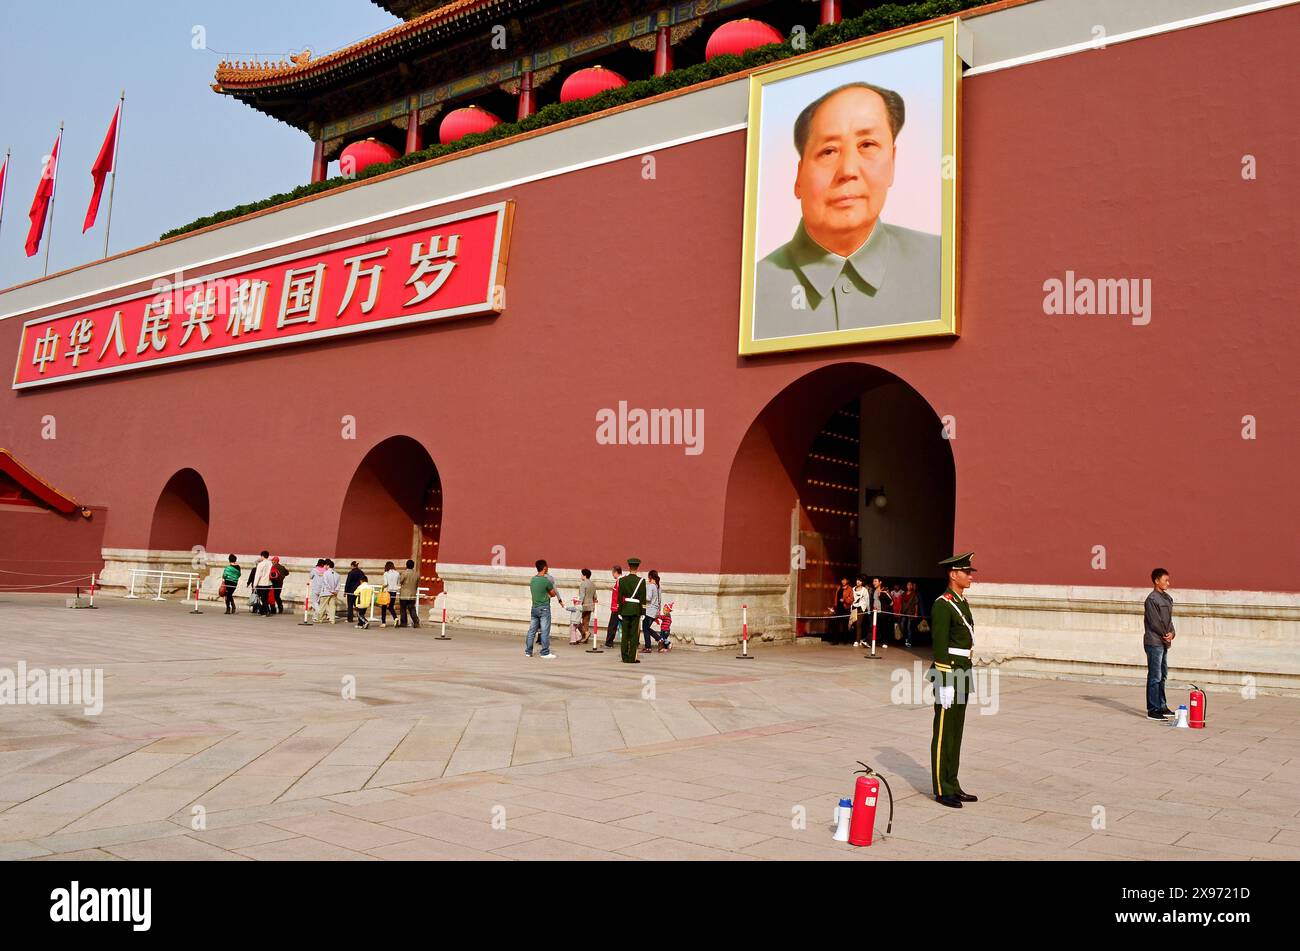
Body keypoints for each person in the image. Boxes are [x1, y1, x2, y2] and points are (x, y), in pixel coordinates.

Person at [753, 82, 941, 341]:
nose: (848, 170)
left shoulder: (940, 264)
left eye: (867, 145)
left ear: (893, 162)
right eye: (828, 151)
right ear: (798, 177)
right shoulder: (753, 291)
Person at [930, 552, 978, 809]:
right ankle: (941, 788)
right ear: (953, 574)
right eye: (966, 572)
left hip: (963, 671)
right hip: (948, 672)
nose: (970, 576)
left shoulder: (961, 602)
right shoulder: (942, 604)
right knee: (943, 732)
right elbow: (939, 646)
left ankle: (952, 781)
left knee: (956, 731)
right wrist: (944, 681)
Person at [1143, 568, 1176, 720]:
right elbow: (1155, 622)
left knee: (1162, 675)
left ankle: (1162, 706)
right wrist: (1165, 634)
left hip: (1163, 642)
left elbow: (1169, 620)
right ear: (1157, 581)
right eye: (1165, 580)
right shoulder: (1152, 599)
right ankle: (1153, 709)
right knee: (1155, 676)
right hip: (1154, 642)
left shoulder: (1168, 599)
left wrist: (1172, 633)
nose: (1168, 583)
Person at [525, 559, 561, 658]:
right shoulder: (546, 581)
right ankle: (545, 652)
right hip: (544, 608)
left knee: (532, 631)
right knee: (545, 631)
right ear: (544, 568)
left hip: (534, 607)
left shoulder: (533, 579)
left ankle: (528, 651)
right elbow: (553, 593)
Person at [618, 558, 647, 663]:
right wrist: (643, 612)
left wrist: (619, 611)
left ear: (629, 567)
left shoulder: (622, 580)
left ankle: (624, 657)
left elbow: (619, 597)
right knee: (634, 635)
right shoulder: (641, 581)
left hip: (625, 609)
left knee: (625, 634)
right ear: (637, 567)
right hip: (635, 610)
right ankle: (631, 658)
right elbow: (643, 598)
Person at [641, 569, 664, 652]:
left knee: (645, 628)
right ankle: (659, 640)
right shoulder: (659, 587)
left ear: (650, 577)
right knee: (647, 628)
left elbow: (648, 598)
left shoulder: (651, 586)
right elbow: (660, 601)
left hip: (649, 610)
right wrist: (658, 611)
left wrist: (641, 597)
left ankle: (648, 647)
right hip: (655, 611)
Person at [603, 565, 623, 648]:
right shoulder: (620, 581)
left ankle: (609, 643)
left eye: (612, 573)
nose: (612, 575)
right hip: (618, 607)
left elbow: (620, 595)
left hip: (617, 608)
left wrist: (618, 606)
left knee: (612, 626)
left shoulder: (620, 582)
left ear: (615, 572)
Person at [398, 559, 420, 628]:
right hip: (412, 593)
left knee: (403, 609)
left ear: (406, 565)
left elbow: (400, 581)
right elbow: (417, 584)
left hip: (404, 594)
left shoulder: (404, 573)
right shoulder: (416, 574)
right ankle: (416, 622)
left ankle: (403, 622)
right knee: (412, 608)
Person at [577, 568, 597, 644]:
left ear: (584, 575)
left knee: (577, 621)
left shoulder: (583, 584)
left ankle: (586, 633)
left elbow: (582, 596)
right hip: (590, 604)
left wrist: (578, 604)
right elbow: (595, 596)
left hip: (584, 604)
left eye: (581, 574)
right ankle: (585, 638)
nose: (581, 576)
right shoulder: (593, 584)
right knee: (586, 622)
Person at [253, 552, 274, 619]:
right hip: (268, 583)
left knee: (263, 598)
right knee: (265, 598)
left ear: (262, 556)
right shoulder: (271, 563)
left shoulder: (261, 564)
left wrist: (255, 584)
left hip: (261, 583)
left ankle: (267, 611)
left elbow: (258, 575)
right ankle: (263, 611)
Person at [381, 560, 401, 628]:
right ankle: (395, 618)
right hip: (394, 592)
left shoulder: (386, 573)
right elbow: (398, 584)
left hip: (387, 591)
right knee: (391, 607)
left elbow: (386, 584)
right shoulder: (397, 573)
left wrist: (382, 587)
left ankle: (383, 622)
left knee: (384, 607)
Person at [851, 576, 870, 646]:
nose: (858, 582)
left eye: (860, 581)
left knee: (858, 624)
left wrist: (868, 610)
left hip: (861, 608)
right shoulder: (853, 589)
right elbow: (851, 598)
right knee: (853, 624)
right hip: (853, 607)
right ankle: (856, 638)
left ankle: (857, 640)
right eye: (857, 580)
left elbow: (867, 600)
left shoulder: (864, 590)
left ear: (862, 582)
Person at [900, 580, 920, 648]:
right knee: (902, 626)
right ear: (906, 586)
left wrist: (916, 613)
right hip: (903, 612)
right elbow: (901, 604)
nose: (909, 586)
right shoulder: (904, 594)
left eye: (910, 585)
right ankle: (905, 639)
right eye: (908, 585)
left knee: (909, 627)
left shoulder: (914, 594)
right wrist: (900, 612)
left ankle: (909, 641)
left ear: (912, 586)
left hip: (910, 612)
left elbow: (916, 604)